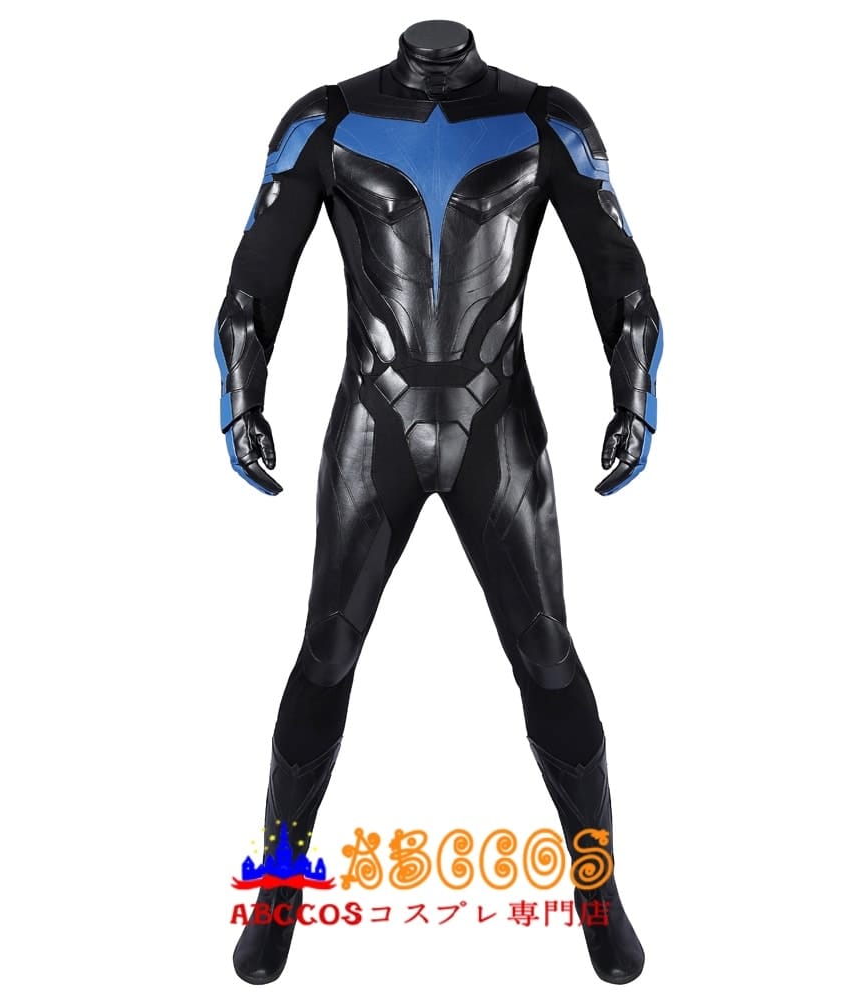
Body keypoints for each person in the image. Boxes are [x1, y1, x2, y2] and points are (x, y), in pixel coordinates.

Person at [213, 19, 663, 986]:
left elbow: (620, 276)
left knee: (548, 656)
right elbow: (255, 279)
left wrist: (635, 396)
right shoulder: (326, 120)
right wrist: (241, 397)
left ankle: (598, 895)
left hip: (498, 429)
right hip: (371, 430)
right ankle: (279, 892)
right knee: (326, 655)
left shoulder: (545, 120)